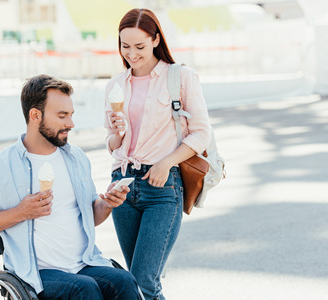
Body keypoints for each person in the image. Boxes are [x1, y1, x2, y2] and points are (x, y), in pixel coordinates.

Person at [0, 74, 140, 300]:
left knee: (124, 281)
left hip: (84, 263)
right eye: (62, 116)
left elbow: (91, 217)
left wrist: (106, 204)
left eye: (71, 115)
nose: (71, 123)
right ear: (35, 115)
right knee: (83, 289)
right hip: (35, 274)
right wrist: (22, 212)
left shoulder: (76, 158)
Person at [104, 8, 211, 300]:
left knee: (144, 282)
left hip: (163, 186)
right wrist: (117, 133)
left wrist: (166, 163)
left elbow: (202, 132)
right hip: (122, 185)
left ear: (155, 39)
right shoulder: (116, 84)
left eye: (139, 46)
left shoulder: (181, 77)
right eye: (125, 46)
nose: (131, 54)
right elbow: (113, 145)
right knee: (135, 284)